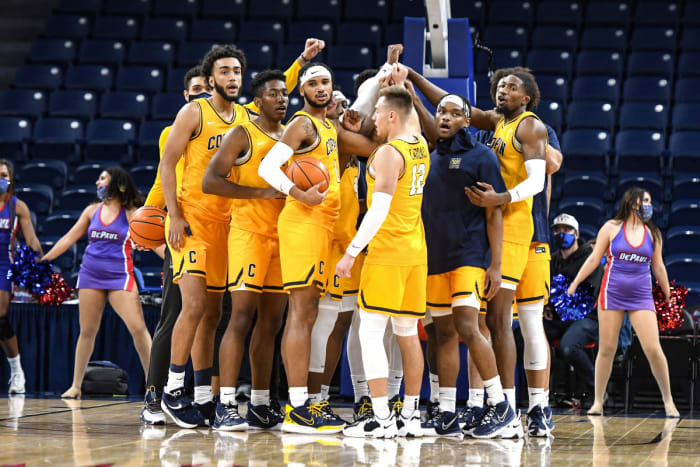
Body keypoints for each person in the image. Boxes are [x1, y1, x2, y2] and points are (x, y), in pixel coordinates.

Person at [409, 66, 548, 437]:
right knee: (483, 324)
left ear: (527, 97)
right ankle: (482, 405)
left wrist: (502, 196)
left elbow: (538, 179)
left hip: (513, 227)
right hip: (485, 229)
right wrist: (412, 79)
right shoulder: (497, 123)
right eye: (500, 86)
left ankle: (514, 407)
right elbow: (452, 108)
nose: (502, 91)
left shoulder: (529, 126)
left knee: (503, 322)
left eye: (512, 87)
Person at [258, 61, 378, 434]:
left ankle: (305, 403)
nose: (321, 87)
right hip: (302, 223)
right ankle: (297, 407)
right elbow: (267, 166)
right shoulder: (302, 124)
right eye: (313, 83)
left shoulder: (329, 126)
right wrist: (297, 192)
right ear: (303, 90)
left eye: (326, 82)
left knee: (309, 315)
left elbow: (374, 146)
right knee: (301, 313)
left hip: (322, 227)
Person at [419, 94, 516, 439]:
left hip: (470, 255)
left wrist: (496, 266)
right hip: (434, 258)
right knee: (441, 333)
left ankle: (499, 403)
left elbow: (495, 212)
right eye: (440, 112)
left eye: (454, 113)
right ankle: (446, 411)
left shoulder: (481, 156)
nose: (444, 117)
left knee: (466, 325)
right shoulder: (429, 157)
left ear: (467, 120)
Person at [200, 69, 290, 431]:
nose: (281, 99)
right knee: (239, 318)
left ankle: (261, 402)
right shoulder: (243, 133)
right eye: (273, 94)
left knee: (271, 323)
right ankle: (224, 404)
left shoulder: (291, 136)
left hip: (282, 238)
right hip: (248, 234)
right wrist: (260, 193)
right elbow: (210, 180)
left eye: (284, 93)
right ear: (258, 101)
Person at [338, 85, 428, 439]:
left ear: (392, 116)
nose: (372, 118)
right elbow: (413, 115)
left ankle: (380, 418)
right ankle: (409, 416)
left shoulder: (390, 153)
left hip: (388, 253)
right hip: (415, 253)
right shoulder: (419, 143)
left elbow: (378, 209)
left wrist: (351, 251)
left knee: (370, 334)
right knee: (407, 335)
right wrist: (396, 80)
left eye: (377, 111)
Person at [568, 187, 679, 417]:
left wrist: (668, 294)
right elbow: (593, 258)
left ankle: (669, 402)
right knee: (607, 349)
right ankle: (598, 402)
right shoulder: (611, 228)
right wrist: (574, 283)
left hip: (641, 296)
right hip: (612, 294)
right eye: (644, 200)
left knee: (654, 350)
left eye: (650, 201)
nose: (649, 205)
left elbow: (658, 266)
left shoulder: (653, 233)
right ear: (632, 202)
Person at [139, 65, 210, 425]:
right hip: (182, 230)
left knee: (212, 317)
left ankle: (201, 396)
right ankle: (154, 395)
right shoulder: (173, 132)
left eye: (204, 89)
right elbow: (160, 180)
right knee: (174, 314)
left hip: (218, 231)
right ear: (186, 96)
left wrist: (299, 65)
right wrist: (147, 220)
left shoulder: (226, 129)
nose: (199, 94)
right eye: (193, 89)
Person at [42, 167, 151, 399]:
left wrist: (174, 259)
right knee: (87, 332)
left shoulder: (131, 212)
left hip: (120, 276)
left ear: (119, 184)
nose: (97, 182)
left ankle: (155, 386)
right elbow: (70, 237)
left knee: (138, 328)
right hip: (90, 274)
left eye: (103, 179)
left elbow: (152, 241)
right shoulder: (92, 210)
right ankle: (76, 386)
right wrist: (45, 259)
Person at [544, 213, 603, 406]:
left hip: (587, 316)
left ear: (576, 234)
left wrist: (557, 302)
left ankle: (597, 389)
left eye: (567, 230)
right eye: (558, 230)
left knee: (568, 347)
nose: (562, 234)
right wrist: (547, 306)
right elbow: (546, 289)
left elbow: (587, 295)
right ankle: (540, 392)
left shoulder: (590, 259)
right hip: (559, 316)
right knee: (526, 336)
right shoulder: (552, 261)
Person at [0, 160, 42, 395]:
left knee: (0, 316)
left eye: (4, 175)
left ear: (11, 179)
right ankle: (15, 368)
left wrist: (41, 267)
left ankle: (17, 372)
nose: (1, 179)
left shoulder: (18, 207)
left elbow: (32, 241)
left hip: (4, 265)